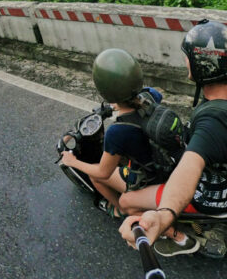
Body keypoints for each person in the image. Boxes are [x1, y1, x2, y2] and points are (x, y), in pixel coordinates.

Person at [118, 0, 227, 256]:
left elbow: (188, 169)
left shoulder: (213, 124)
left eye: (188, 57)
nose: (185, 60)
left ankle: (177, 237)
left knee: (127, 201)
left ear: (202, 66)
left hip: (211, 195)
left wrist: (163, 215)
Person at [60, 48, 164, 219]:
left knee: (95, 175)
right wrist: (120, 104)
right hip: (162, 161)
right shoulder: (151, 95)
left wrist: (73, 162)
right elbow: (149, 97)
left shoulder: (117, 132)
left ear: (105, 91)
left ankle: (120, 209)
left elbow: (103, 173)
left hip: (148, 178)